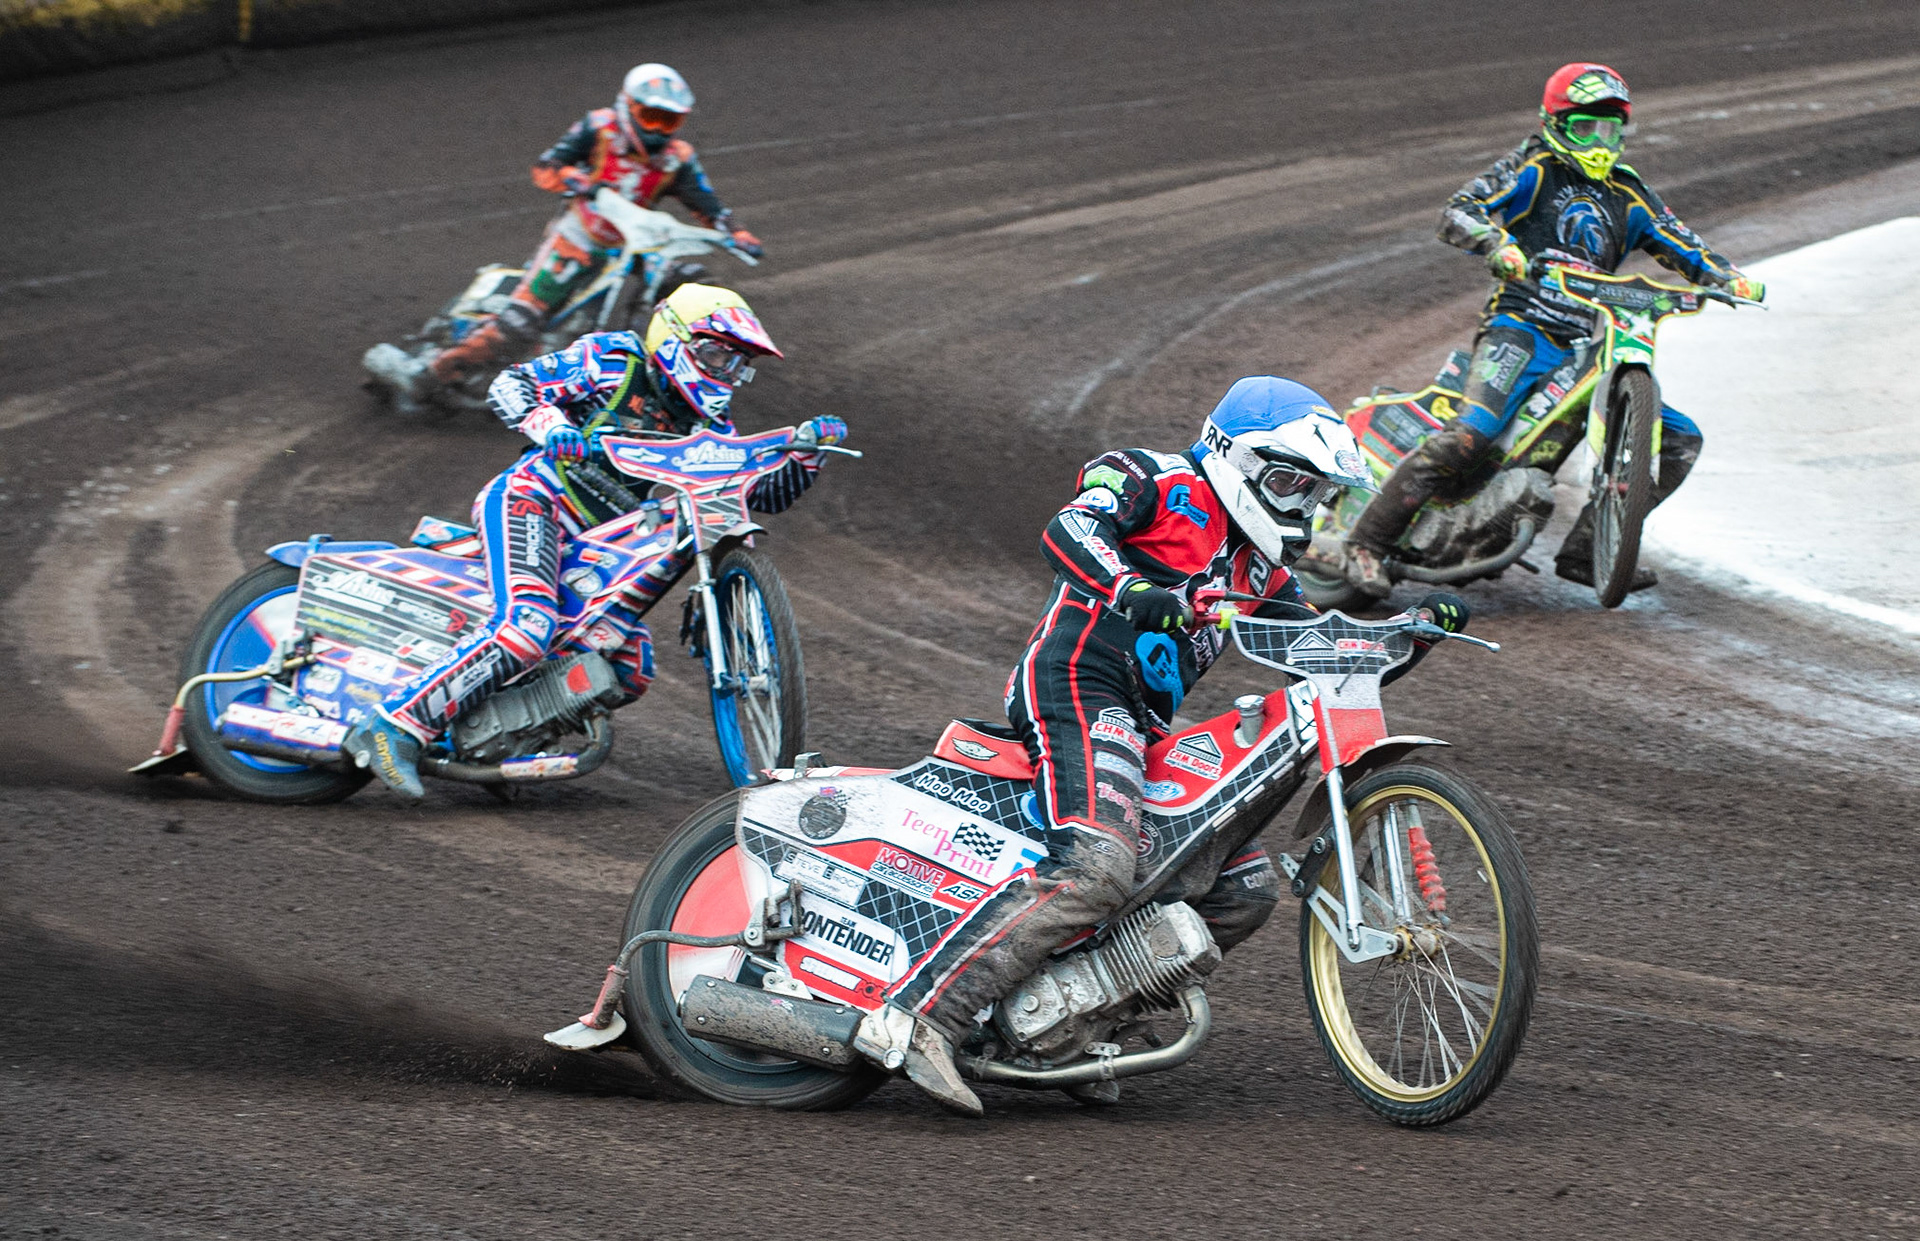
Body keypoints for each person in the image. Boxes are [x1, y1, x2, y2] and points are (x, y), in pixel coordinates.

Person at [851, 376, 1462, 1116]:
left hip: (1143, 723)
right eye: (1289, 483)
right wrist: (1130, 588)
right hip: (1076, 682)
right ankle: (921, 1015)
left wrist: (1411, 630)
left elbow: (1320, 649)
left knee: (1243, 891)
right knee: (1101, 864)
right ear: (1237, 459)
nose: (1301, 506)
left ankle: (1070, 1031)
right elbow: (1068, 529)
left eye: (1314, 493)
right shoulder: (1155, 477)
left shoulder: (1259, 567)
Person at [343, 285, 843, 798]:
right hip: (536, 500)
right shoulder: (612, 361)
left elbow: (764, 494)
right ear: (675, 341)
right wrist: (552, 426)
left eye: (738, 364)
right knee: (526, 627)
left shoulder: (708, 423)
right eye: (716, 354)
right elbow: (512, 385)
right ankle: (393, 726)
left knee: (626, 665)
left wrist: (807, 454)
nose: (726, 372)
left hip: (598, 539)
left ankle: (497, 743)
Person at [1321, 62, 1765, 598]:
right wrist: (1496, 244)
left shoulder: (1628, 192)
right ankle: (1366, 542)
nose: (1600, 141)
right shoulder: (1535, 167)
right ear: (1557, 123)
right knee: (1472, 436)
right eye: (1586, 128)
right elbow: (1460, 210)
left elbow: (1682, 242)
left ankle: (1588, 548)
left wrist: (1727, 278)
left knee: (1678, 440)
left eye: (1611, 129)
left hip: (1587, 342)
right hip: (1520, 329)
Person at [365, 63, 760, 407]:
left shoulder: (677, 158)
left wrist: (735, 232)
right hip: (578, 239)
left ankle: (684, 374)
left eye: (668, 121)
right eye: (651, 117)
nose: (658, 130)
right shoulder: (599, 128)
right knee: (521, 322)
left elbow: (706, 203)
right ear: (628, 107)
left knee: (692, 285)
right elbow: (546, 165)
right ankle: (428, 375)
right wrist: (574, 177)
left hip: (637, 243)